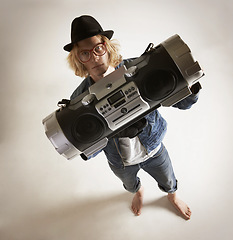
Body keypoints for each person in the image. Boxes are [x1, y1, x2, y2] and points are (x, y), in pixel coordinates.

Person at [63, 15, 201, 219]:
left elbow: (183, 102)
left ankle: (171, 196)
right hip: (120, 161)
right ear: (78, 59)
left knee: (168, 179)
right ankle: (138, 191)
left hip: (154, 147)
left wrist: (191, 87)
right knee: (129, 185)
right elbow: (87, 149)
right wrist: (112, 132)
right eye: (85, 53)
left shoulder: (140, 69)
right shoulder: (77, 101)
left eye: (97, 48)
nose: (94, 57)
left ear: (106, 46)